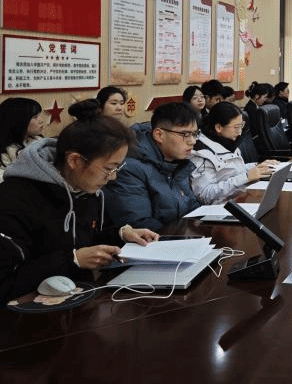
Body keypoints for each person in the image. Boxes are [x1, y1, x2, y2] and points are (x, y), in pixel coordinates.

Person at [0, 100, 158, 302]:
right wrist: (72, 260)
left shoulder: (86, 189)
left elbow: (88, 237)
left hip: (80, 299)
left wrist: (121, 234)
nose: (113, 177)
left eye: (117, 168)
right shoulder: (14, 199)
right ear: (74, 160)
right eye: (108, 168)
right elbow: (5, 282)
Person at [103, 102, 201, 231]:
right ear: (159, 135)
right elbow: (139, 223)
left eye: (195, 134)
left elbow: (191, 208)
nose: (192, 141)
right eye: (185, 134)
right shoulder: (130, 168)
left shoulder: (177, 163)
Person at [190, 102, 281, 204]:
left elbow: (235, 170)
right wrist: (246, 177)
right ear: (219, 127)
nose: (240, 132)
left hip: (241, 196)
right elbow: (205, 195)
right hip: (222, 206)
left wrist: (258, 166)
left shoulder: (228, 141)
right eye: (236, 127)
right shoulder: (202, 153)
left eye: (241, 126)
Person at [0, 97, 45, 182]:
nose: (41, 121)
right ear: (19, 121)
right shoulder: (5, 151)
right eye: (35, 117)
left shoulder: (39, 141)